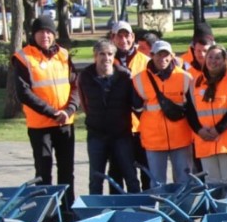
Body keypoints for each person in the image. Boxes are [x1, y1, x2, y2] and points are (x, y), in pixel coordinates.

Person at [12, 15, 79, 213]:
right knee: (44, 172)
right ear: (34, 35)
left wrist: (69, 110)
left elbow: (75, 85)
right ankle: (45, 213)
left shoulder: (64, 55)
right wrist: (52, 113)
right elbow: (24, 93)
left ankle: (67, 210)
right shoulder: (24, 57)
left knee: (67, 170)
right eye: (41, 32)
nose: (45, 36)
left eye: (49, 32)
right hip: (40, 126)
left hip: (65, 122)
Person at [77, 39, 140, 195]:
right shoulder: (85, 76)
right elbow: (84, 103)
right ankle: (94, 213)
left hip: (122, 135)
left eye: (110, 54)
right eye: (102, 54)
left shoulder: (124, 76)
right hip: (96, 135)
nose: (106, 58)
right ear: (95, 56)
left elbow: (134, 103)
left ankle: (139, 209)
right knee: (95, 178)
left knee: (130, 175)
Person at [188, 44, 227, 197]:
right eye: (210, 57)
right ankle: (215, 214)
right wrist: (200, 130)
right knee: (211, 180)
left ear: (224, 60)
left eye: (217, 58)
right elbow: (190, 110)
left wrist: (218, 129)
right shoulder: (194, 83)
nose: (213, 61)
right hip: (204, 139)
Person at [131, 40, 196, 185]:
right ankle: (160, 208)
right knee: (157, 183)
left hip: (181, 138)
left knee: (184, 181)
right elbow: (136, 107)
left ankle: (183, 208)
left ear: (172, 55)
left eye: (166, 55)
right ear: (152, 55)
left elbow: (192, 108)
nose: (163, 59)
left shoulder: (185, 77)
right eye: (159, 55)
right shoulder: (139, 79)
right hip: (153, 139)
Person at [108, 20, 151, 192]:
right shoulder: (108, 60)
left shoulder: (146, 61)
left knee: (146, 171)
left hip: (143, 127)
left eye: (127, 36)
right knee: (117, 172)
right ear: (113, 38)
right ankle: (119, 206)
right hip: (118, 127)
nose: (123, 40)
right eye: (119, 36)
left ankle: (149, 207)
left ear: (133, 37)